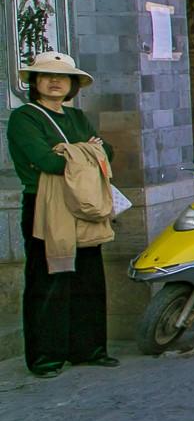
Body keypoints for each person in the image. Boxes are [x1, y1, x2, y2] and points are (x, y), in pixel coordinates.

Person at [8, 52, 117, 378]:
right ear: (35, 82)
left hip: (83, 205)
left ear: (72, 85)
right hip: (45, 205)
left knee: (89, 278)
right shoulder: (25, 117)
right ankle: (45, 357)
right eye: (46, 75)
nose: (55, 81)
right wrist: (88, 151)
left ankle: (89, 348)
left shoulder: (78, 117)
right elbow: (46, 161)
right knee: (49, 279)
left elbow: (107, 154)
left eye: (63, 77)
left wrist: (76, 152)